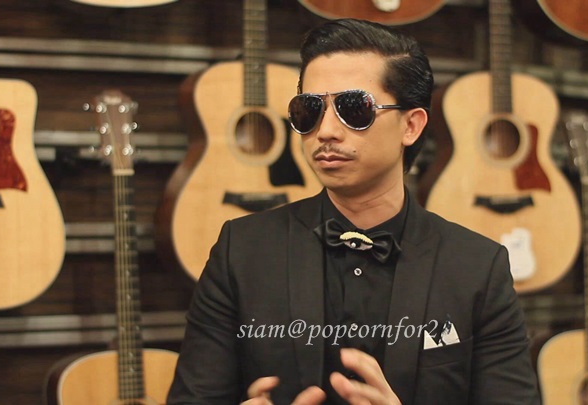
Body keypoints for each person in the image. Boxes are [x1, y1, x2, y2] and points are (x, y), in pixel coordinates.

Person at [167, 18, 540, 405]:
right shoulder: (242, 250)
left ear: (411, 126)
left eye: (354, 108)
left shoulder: (477, 267)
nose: (326, 131)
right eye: (310, 110)